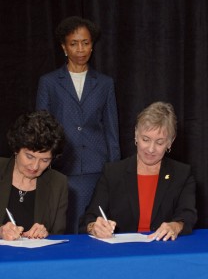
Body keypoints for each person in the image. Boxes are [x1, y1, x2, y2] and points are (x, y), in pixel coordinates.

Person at [36, 16, 120, 233]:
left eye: (86, 43)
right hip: (63, 168)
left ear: (92, 45)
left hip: (96, 168)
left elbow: (112, 131)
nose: (80, 49)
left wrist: (115, 170)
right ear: (64, 47)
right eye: (74, 43)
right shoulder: (49, 82)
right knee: (65, 227)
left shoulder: (104, 83)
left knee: (96, 228)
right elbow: (41, 130)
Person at [79, 102, 197, 241]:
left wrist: (175, 226)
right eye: (145, 139)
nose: (151, 149)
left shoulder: (181, 173)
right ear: (136, 135)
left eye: (159, 142)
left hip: (164, 250)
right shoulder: (113, 172)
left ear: (170, 142)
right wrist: (94, 227)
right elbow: (89, 218)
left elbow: (188, 216)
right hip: (123, 253)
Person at [0, 111, 67, 240]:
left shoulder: (58, 183)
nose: (35, 166)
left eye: (45, 160)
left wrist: (45, 234)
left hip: (36, 258)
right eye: (30, 156)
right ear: (16, 149)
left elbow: (58, 235)